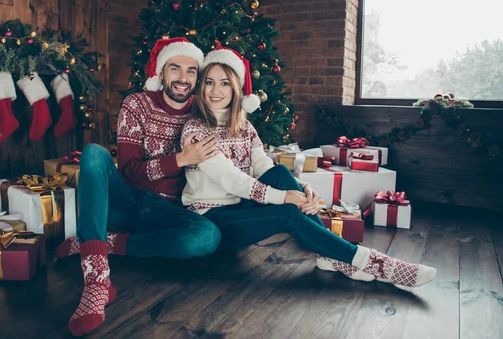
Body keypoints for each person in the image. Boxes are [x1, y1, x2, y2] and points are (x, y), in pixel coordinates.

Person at [180, 46, 437, 287]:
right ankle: (369, 261)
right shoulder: (195, 129)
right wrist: (285, 197)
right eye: (209, 82)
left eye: (225, 83)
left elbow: (263, 165)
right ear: (201, 87)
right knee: (288, 213)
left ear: (236, 88)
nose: (216, 90)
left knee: (280, 172)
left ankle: (331, 255)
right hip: (212, 217)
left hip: (241, 206)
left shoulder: (244, 126)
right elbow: (229, 178)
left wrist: (303, 188)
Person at [61, 37, 223, 337]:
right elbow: (130, 171)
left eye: (191, 71)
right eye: (175, 68)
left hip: (168, 211)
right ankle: (97, 279)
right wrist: (181, 158)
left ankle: (104, 243)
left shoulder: (203, 115)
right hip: (128, 198)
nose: (183, 78)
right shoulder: (137, 104)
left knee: (206, 237)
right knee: (95, 154)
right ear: (161, 73)